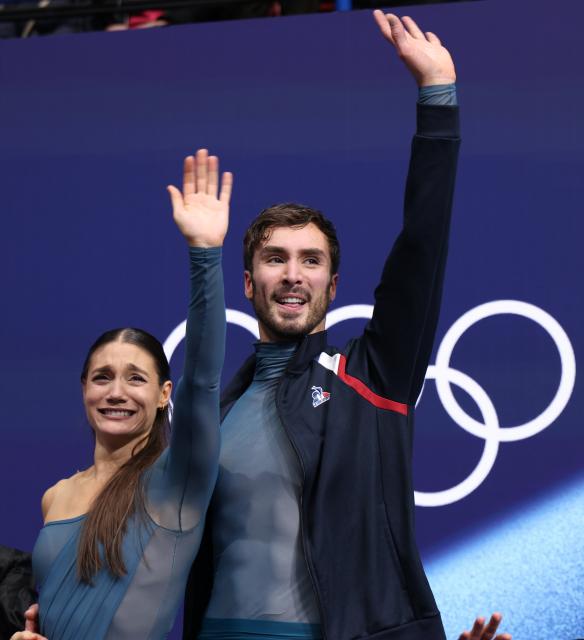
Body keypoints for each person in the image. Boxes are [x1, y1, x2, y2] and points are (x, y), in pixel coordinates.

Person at [181, 11, 510, 640]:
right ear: (248, 284)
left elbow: (422, 246)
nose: (293, 275)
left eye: (312, 261)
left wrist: (437, 99)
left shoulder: (374, 375)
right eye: (275, 259)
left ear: (334, 286)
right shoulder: (218, 410)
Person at [10, 150, 232, 640]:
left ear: (162, 395)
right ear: (84, 390)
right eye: (102, 377)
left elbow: (203, 379)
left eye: (136, 378)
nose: (116, 392)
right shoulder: (56, 496)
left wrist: (205, 255)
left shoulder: (177, 481)